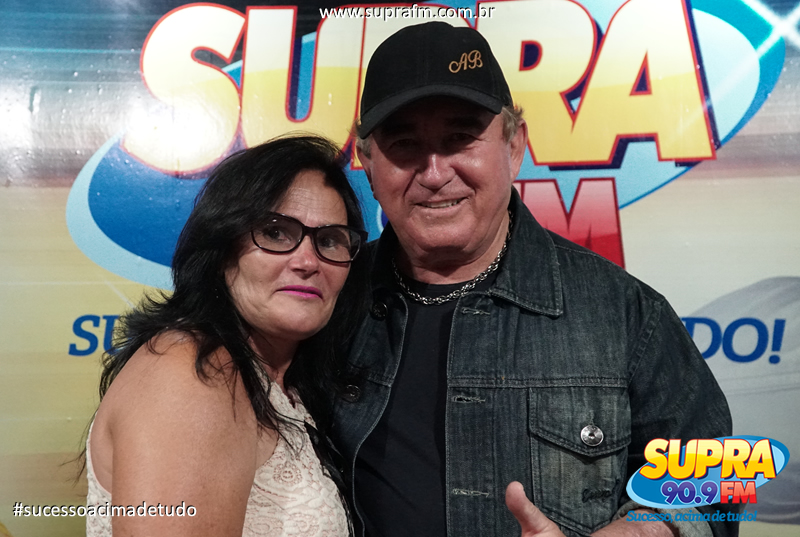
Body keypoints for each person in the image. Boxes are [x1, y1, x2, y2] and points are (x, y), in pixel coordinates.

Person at [331, 21, 736, 537]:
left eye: (460, 138)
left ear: (514, 146)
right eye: (404, 144)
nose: (434, 173)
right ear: (368, 164)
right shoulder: (326, 304)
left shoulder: (625, 313)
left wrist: (643, 532)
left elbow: (716, 485)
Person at [84, 135, 368, 537]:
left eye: (329, 240)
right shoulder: (192, 371)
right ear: (221, 248)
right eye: (275, 233)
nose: (308, 261)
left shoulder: (287, 382)